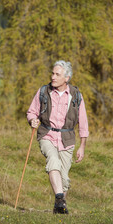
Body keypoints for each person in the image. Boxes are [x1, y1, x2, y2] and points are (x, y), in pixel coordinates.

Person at [27, 60, 89, 214]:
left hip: (67, 138)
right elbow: (32, 111)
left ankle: (59, 207)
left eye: (57, 74)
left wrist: (82, 146)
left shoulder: (76, 96)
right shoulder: (43, 92)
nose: (53, 77)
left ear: (66, 78)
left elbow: (83, 122)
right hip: (47, 134)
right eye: (52, 73)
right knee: (53, 160)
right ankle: (60, 198)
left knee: (64, 178)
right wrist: (32, 120)